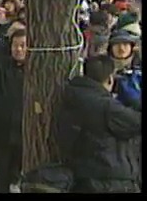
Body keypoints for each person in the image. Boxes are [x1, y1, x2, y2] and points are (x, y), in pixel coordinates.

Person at [59, 54, 141, 193]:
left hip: (81, 176)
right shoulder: (107, 107)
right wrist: (133, 100)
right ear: (110, 78)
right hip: (110, 179)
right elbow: (136, 122)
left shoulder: (71, 97)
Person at [0, 28, 27, 193]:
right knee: (1, 178)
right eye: (15, 45)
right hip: (1, 132)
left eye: (23, 46)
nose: (18, 50)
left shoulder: (37, 73)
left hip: (25, 134)